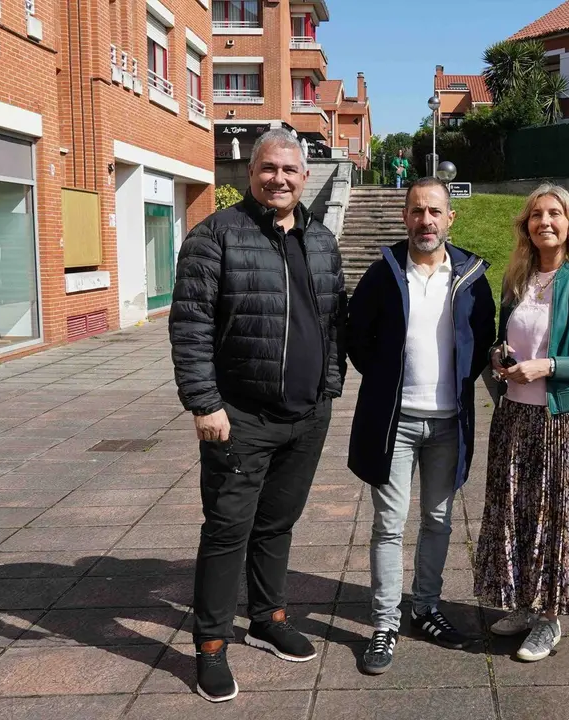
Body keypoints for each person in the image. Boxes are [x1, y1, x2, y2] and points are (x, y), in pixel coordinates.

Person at [169, 128, 347, 702]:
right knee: (227, 531)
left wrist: (330, 386)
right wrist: (205, 402)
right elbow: (190, 325)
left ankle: (268, 619)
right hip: (239, 416)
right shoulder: (215, 236)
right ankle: (211, 646)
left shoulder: (320, 240)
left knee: (277, 524)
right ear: (251, 172)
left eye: (291, 171)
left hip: (306, 415)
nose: (280, 179)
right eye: (270, 169)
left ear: (305, 177)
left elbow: (333, 322)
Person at [346, 176, 496, 674]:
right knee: (389, 525)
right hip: (396, 422)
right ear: (405, 217)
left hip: (449, 424)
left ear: (450, 218)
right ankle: (385, 621)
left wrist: (454, 383)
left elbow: (482, 338)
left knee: (438, 520)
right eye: (416, 211)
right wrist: (390, 378)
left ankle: (426, 607)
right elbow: (357, 335)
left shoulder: (471, 274)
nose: (425, 220)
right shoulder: (385, 272)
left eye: (434, 211)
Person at [472, 183, 569, 662]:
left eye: (554, 214)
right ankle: (524, 601)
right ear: (526, 227)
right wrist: (501, 356)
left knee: (555, 518)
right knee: (518, 511)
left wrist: (549, 366)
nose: (545, 222)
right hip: (516, 415)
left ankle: (550, 618)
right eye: (536, 215)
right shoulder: (517, 281)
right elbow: (505, 340)